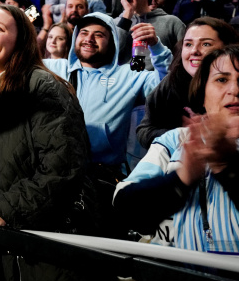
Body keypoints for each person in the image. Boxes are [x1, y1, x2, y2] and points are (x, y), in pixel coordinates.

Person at [0, 4, 118, 281]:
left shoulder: (45, 85)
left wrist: (5, 209)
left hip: (51, 247)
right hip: (1, 254)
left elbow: (62, 167)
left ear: (21, 41)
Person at [114, 44, 239, 281]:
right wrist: (181, 179)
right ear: (202, 93)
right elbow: (126, 210)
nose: (236, 90)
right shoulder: (173, 141)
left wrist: (229, 167)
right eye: (221, 79)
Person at [43, 12, 172, 169]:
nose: (89, 39)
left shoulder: (128, 76)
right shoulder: (53, 68)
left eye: (98, 35)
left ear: (112, 43)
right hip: (54, 168)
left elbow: (166, 86)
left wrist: (156, 46)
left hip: (102, 175)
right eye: (83, 33)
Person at [136, 17, 239, 149]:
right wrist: (184, 137)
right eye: (188, 44)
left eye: (206, 44)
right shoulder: (171, 82)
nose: (194, 51)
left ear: (227, 48)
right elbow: (144, 130)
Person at [116, 0, 185, 70]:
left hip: (158, 83)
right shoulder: (115, 23)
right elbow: (110, 55)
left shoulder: (172, 23)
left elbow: (183, 60)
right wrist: (128, 13)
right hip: (124, 84)